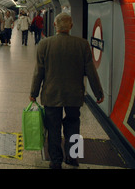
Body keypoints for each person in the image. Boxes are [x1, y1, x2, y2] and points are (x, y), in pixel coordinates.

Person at [29, 12, 104, 169]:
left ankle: (55, 160)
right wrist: (98, 92)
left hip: (51, 94)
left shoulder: (44, 44)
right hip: (74, 95)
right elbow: (91, 71)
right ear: (71, 26)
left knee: (53, 127)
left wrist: (33, 93)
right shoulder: (82, 44)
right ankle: (73, 157)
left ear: (55, 25)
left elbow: (39, 72)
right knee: (74, 124)